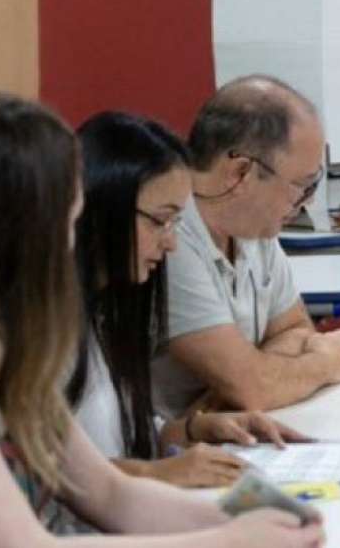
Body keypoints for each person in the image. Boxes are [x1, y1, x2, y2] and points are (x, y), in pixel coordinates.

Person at [0, 93, 323, 547]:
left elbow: (111, 494)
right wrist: (226, 541)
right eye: (67, 223)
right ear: (16, 236)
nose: (73, 243)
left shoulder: (1, 347)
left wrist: (243, 520)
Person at [69, 110, 308, 489]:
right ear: (102, 209)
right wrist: (157, 473)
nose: (171, 243)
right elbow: (44, 473)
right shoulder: (40, 328)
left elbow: (123, 437)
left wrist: (195, 430)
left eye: (176, 223)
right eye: (159, 221)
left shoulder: (104, 311)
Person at [150, 75, 340, 419]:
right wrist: (327, 363)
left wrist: (255, 377)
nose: (306, 203)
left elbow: (295, 329)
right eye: (302, 186)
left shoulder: (253, 226)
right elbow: (253, 388)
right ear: (240, 173)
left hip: (221, 433)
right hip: (165, 445)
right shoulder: (169, 234)